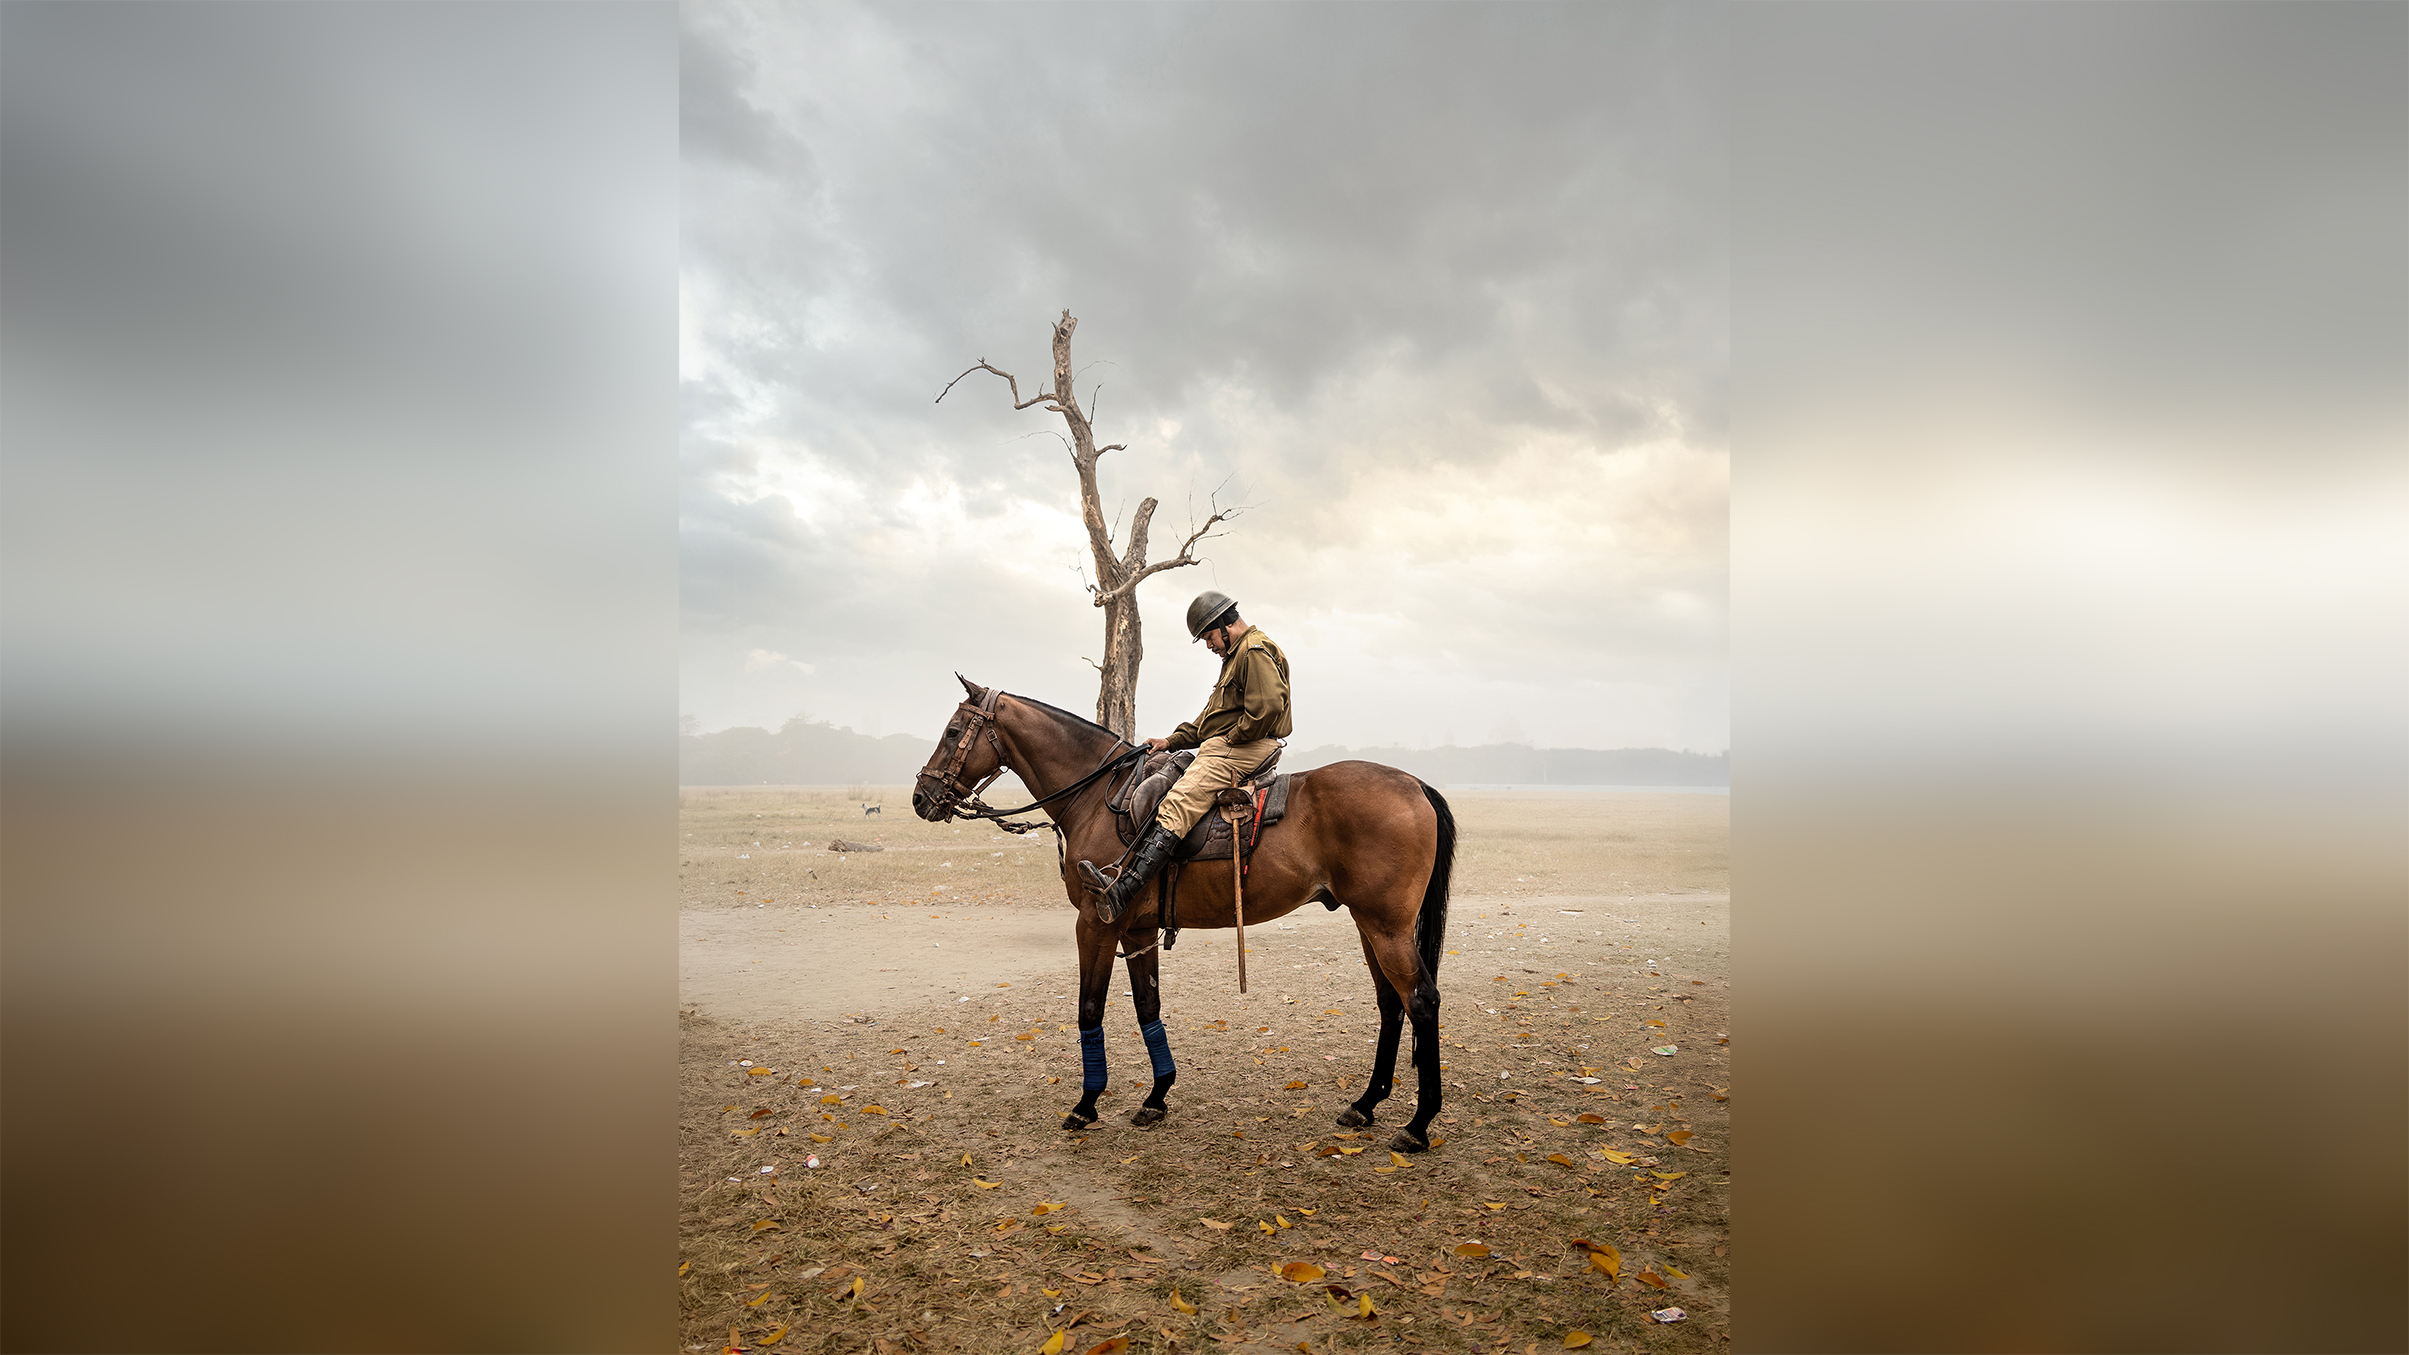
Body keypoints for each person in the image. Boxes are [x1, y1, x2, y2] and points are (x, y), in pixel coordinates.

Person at [1082, 590, 1291, 922]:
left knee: (1179, 800)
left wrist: (1230, 738)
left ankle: (1125, 891)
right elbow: (1210, 720)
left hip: (1246, 746)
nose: (1209, 645)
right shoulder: (1235, 657)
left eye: (1209, 637)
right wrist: (1171, 741)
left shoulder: (1252, 651)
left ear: (1225, 624)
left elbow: (1268, 708)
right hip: (1229, 742)